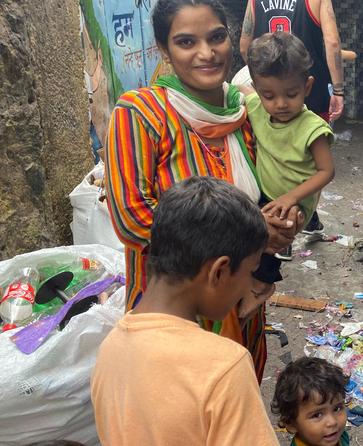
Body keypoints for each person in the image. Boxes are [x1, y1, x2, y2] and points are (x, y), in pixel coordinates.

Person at [104, 0, 303, 382]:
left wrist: (284, 223)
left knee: (233, 401)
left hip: (241, 299)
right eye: (186, 42)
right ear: (164, 49)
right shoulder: (141, 114)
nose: (206, 53)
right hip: (175, 313)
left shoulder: (245, 112)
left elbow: (268, 189)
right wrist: (249, 234)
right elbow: (133, 218)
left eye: (216, 37)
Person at [91, 177, 278, 446]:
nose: (249, 285)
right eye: (251, 272)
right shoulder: (224, 367)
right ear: (219, 272)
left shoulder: (109, 350)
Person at [240, 31, 335, 265]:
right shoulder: (257, 106)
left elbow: (326, 171)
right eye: (269, 95)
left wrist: (290, 198)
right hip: (260, 197)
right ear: (258, 89)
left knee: (266, 255)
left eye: (291, 94)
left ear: (307, 86)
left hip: (295, 204)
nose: (280, 104)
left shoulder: (312, 127)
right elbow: (237, 90)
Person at [239, 0, 344, 125]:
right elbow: (333, 43)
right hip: (308, 92)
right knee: (311, 145)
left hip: (270, 96)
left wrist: (264, 85)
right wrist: (338, 90)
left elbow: (245, 47)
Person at [271, 357, 350, 446]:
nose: (332, 422)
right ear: (291, 424)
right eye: (317, 415)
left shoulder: (340, 435)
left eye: (337, 409)